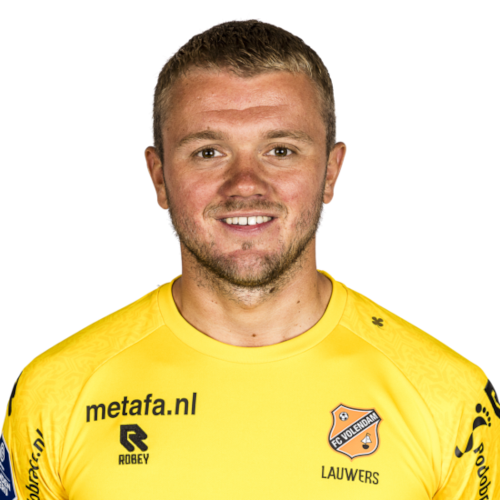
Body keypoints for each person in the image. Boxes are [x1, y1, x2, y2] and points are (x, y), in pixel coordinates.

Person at [1, 18, 498, 500]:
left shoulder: (452, 397)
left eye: (280, 151)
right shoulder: (54, 393)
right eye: (208, 152)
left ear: (331, 172)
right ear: (158, 177)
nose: (244, 185)